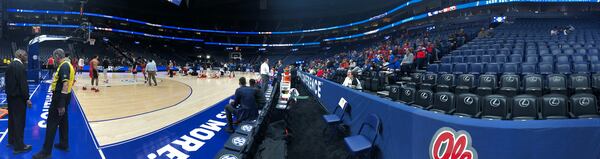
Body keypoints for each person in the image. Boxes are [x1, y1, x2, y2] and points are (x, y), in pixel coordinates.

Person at [33, 49, 75, 159]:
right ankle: (64, 144)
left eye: (53, 56)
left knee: (51, 124)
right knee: (63, 122)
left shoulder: (64, 66)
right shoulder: (68, 64)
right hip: (65, 97)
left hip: (59, 99)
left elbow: (65, 85)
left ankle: (46, 152)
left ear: (57, 56)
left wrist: (61, 104)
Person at [5, 49, 33, 154]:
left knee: (12, 120)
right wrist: (27, 99)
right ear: (20, 55)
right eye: (25, 55)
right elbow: (23, 85)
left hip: (10, 98)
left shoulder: (10, 65)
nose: (26, 57)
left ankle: (11, 140)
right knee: (19, 122)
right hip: (18, 99)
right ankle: (19, 146)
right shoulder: (20, 67)